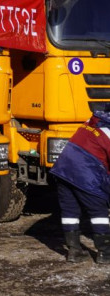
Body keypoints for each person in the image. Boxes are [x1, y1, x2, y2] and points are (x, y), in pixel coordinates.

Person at [50, 109, 110, 264]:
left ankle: (74, 251)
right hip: (84, 173)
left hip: (63, 169)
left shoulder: (90, 122)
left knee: (70, 210)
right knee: (98, 211)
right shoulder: (107, 131)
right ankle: (105, 252)